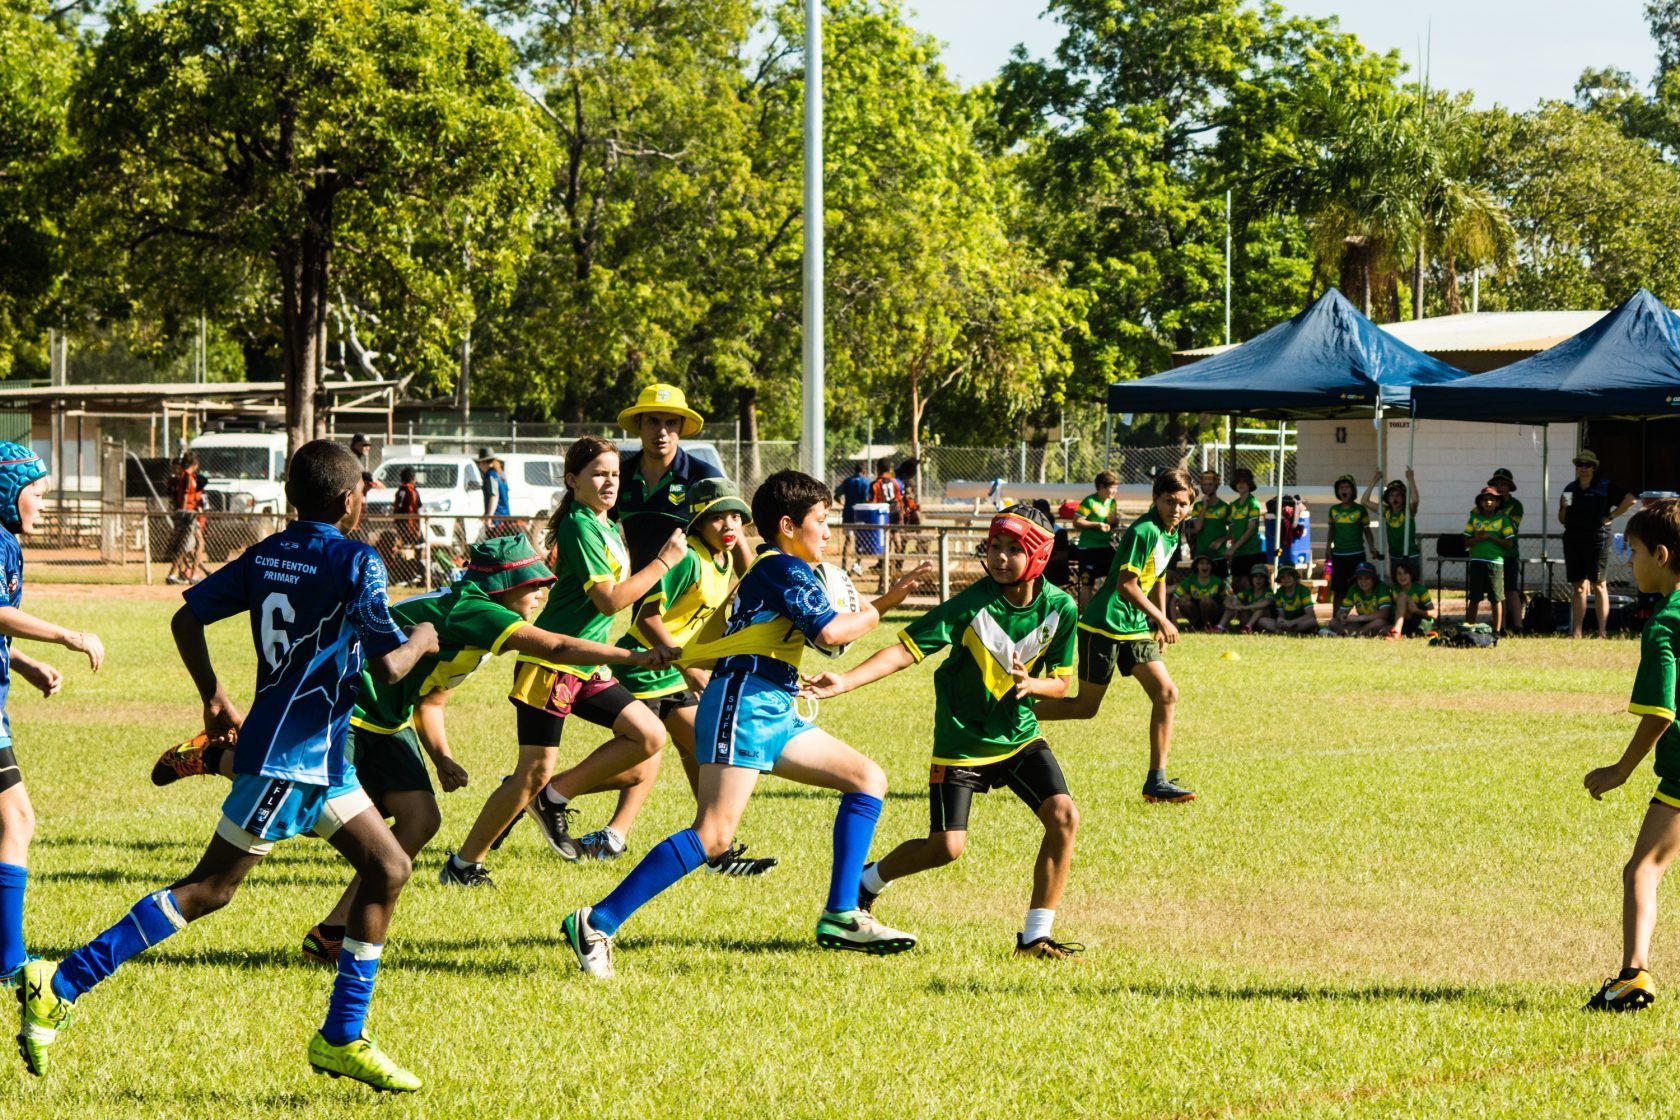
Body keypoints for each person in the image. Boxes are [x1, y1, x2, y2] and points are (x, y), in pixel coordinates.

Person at [18, 440, 440, 1089]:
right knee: (209, 889)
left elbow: (188, 617)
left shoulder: (266, 553)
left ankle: (342, 1036)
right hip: (288, 760)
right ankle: (63, 981)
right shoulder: (359, 561)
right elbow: (389, 664)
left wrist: (212, 693)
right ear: (351, 500)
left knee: (388, 865)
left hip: (321, 756)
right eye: (363, 494)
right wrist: (424, 638)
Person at [147, 535, 670, 963]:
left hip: (388, 724)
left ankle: (332, 932)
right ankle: (213, 756)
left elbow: (432, 699)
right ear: (505, 587)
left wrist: (440, 756)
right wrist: (631, 656)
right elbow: (555, 646)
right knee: (296, 805)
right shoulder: (479, 612)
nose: (540, 595)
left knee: (420, 821)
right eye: (534, 585)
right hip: (347, 714)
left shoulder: (475, 626)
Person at [559, 470, 928, 978]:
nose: (827, 532)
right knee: (713, 835)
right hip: (744, 702)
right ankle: (597, 921)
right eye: (821, 522)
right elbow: (832, 633)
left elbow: (830, 631)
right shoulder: (781, 569)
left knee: (867, 778)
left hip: (771, 703)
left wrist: (880, 604)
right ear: (787, 525)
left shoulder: (784, 569)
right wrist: (876, 611)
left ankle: (842, 914)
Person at [800, 505, 1083, 959]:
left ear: (1040, 556)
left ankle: (1035, 937)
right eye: (994, 547)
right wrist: (846, 680)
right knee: (946, 848)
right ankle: (866, 882)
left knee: (1064, 817)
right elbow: (903, 651)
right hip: (961, 744)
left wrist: (1034, 685)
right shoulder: (972, 604)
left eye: (1014, 549)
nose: (1000, 558)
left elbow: (1063, 682)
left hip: (1019, 737)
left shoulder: (1061, 609)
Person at [438, 437, 684, 888]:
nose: (609, 481)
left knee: (648, 737)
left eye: (614, 473)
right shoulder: (577, 525)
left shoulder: (608, 525)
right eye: (598, 473)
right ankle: (462, 866)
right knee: (531, 774)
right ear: (573, 481)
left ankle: (552, 797)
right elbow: (608, 601)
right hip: (551, 663)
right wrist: (663, 563)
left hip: (587, 665)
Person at [524, 478, 778, 875]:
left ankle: (707, 846)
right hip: (646, 669)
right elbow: (646, 615)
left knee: (697, 751)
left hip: (672, 673)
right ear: (697, 522)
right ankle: (547, 794)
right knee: (651, 759)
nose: (728, 526)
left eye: (735, 517)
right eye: (717, 518)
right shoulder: (690, 559)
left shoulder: (722, 559)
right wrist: (684, 663)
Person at [0, 445, 105, 1003]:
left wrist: (23, 662)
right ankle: (12, 963)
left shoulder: (8, 543)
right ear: (9, 492)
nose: (43, 502)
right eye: (36, 491)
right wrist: (66, 635)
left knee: (14, 820)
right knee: (17, 819)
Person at [1035, 468, 1198, 804]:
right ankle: (1012, 712)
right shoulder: (1144, 530)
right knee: (1085, 707)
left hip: (1135, 626)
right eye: (1169, 501)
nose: (1176, 509)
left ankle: (1157, 781)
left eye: (1183, 504)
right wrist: (1162, 619)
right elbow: (1126, 585)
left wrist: (1158, 619)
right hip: (1105, 624)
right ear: (1156, 499)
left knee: (1167, 693)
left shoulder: (1172, 532)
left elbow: (1160, 577)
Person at [1583, 499, 1680, 1011]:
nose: (1627, 560)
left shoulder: (1664, 624)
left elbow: (1660, 713)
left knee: (1642, 869)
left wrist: (1621, 770)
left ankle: (1633, 977)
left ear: (1661, 555)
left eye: (1633, 549)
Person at [613, 383, 750, 573]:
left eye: (671, 423)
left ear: (681, 426)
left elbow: (738, 543)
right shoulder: (619, 476)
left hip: (693, 599)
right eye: (653, 421)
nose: (662, 431)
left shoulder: (705, 477)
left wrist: (755, 596)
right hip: (641, 598)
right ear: (638, 423)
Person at [1562, 450, 1636, 640]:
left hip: (1598, 539)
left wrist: (1611, 517)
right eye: (1580, 465)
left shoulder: (1605, 487)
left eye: (1587, 465)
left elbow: (1630, 500)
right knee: (1578, 586)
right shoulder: (1570, 488)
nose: (1583, 468)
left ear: (1594, 467)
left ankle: (1602, 633)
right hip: (1573, 539)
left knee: (1598, 584)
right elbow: (1563, 518)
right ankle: (1576, 632)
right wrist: (1563, 508)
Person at [1464, 486, 1516, 633]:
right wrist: (1477, 538)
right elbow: (1466, 542)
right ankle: (1468, 630)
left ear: (1497, 503)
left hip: (1495, 563)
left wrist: (1491, 538)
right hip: (1477, 562)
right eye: (1485, 499)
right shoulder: (1474, 519)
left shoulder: (1503, 520)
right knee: (1474, 598)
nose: (1488, 502)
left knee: (1496, 598)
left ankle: (1497, 631)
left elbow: (1509, 543)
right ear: (1480, 502)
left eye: (1492, 499)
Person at [1072, 471, 1121, 609]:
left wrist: (1115, 521)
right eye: (1112, 487)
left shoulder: (1112, 503)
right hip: (1089, 548)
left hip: (1106, 546)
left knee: (1115, 580)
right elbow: (1076, 522)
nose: (1115, 491)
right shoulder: (1090, 501)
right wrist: (1097, 525)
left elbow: (1113, 524)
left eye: (1116, 487)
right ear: (1101, 487)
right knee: (1087, 583)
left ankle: (1107, 612)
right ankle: (1086, 617)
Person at [1326, 475, 1374, 609]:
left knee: (1359, 588)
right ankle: (1336, 620)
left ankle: (1364, 616)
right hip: (1339, 555)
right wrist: (1328, 547)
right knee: (1339, 589)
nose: (1344, 490)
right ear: (1337, 491)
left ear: (1353, 490)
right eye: (1341, 487)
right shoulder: (1334, 510)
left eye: (1347, 487)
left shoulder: (1360, 510)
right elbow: (1331, 530)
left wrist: (1372, 547)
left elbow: (1367, 531)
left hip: (1357, 554)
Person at [1365, 469, 1421, 579]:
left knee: (1411, 587)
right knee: (1396, 588)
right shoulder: (1386, 511)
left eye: (1398, 495)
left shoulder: (1407, 511)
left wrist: (1411, 479)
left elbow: (1415, 501)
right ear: (1387, 498)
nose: (1395, 498)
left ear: (1404, 497)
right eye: (1391, 495)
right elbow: (1364, 501)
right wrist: (1374, 480)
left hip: (1410, 555)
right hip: (1394, 556)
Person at [1488, 468, 1524, 632]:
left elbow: (1512, 527)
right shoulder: (1488, 502)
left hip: (1509, 553)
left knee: (1511, 589)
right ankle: (1499, 626)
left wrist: (1497, 519)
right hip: (1492, 553)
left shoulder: (1516, 505)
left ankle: (1518, 625)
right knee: (1497, 591)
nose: (1500, 487)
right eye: (1497, 484)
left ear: (1510, 487)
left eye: (1504, 484)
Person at [166, 452, 207, 586]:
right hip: (188, 514)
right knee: (196, 544)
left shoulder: (183, 477)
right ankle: (193, 574)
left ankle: (174, 573)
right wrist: (184, 513)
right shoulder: (187, 477)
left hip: (188, 513)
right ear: (194, 464)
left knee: (186, 545)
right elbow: (184, 497)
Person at [1224, 469, 1265, 595]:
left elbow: (1251, 529)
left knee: (1248, 586)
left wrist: (1233, 548)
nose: (1241, 485)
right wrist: (1224, 543)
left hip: (1251, 551)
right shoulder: (1233, 505)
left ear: (1250, 484)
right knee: (1236, 585)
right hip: (1237, 552)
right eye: (1238, 482)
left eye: (1244, 482)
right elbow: (1232, 532)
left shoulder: (1253, 503)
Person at [1327, 561, 1392, 637]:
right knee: (1333, 622)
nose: (1363, 582)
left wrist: (1358, 618)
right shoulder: (1354, 589)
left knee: (1379, 623)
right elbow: (1341, 611)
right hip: (1361, 623)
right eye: (1360, 578)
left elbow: (1384, 614)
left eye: (1367, 578)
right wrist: (1342, 616)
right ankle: (1352, 634)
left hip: (1378, 622)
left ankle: (1350, 634)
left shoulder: (1381, 588)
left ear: (1373, 579)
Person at [1185, 469, 1229, 579]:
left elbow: (1233, 532)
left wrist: (1220, 540)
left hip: (1218, 555)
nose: (1207, 487)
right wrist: (1204, 507)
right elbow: (1198, 527)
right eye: (1204, 485)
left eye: (1210, 484)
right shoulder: (1198, 506)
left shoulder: (1225, 507)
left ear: (1216, 486)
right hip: (1201, 555)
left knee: (1219, 589)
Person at [1257, 565, 1317, 634]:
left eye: (1289, 576)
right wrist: (1280, 620)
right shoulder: (1279, 592)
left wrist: (1292, 622)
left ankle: (1284, 632)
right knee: (1262, 621)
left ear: (1295, 578)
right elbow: (1281, 614)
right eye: (1282, 577)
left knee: (1312, 621)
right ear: (1280, 580)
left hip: (1300, 622)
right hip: (1287, 623)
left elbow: (1310, 614)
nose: (1286, 579)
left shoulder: (1303, 590)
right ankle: (1289, 632)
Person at [835, 462, 873, 571]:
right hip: (861, 514)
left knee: (848, 540)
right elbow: (867, 499)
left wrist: (843, 504)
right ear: (864, 472)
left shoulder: (847, 481)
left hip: (848, 513)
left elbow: (836, 495)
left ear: (854, 471)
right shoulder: (866, 482)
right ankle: (857, 565)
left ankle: (843, 567)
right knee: (860, 540)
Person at [1175, 554, 1227, 632]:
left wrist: (1223, 623)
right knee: (1183, 601)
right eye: (1202, 563)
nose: (1204, 566)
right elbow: (1174, 599)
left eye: (1208, 564)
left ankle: (1208, 625)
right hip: (1196, 611)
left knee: (1205, 599)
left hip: (1214, 613)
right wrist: (1174, 622)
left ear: (1211, 567)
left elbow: (1224, 602)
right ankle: (1195, 625)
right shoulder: (1190, 579)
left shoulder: (1218, 582)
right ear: (1197, 566)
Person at [390, 466, 423, 584]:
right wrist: (418, 527)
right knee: (416, 548)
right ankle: (413, 573)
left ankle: (407, 573)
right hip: (411, 525)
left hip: (401, 525)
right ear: (412, 478)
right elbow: (418, 510)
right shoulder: (412, 491)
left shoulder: (399, 491)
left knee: (406, 549)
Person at [1219, 563, 1273, 633]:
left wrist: (1246, 607)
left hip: (1262, 622)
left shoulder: (1268, 591)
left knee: (1261, 607)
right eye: (1255, 577)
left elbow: (1266, 602)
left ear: (1265, 579)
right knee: (1235, 601)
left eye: (1261, 577)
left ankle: (1248, 627)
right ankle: (1220, 627)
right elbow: (1230, 598)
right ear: (1251, 579)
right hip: (1249, 619)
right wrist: (1232, 607)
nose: (1258, 580)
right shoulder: (1249, 591)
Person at [1390, 560, 1437, 638]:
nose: (1402, 576)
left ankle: (1396, 633)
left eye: (1406, 573)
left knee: (1402, 595)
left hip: (1421, 622)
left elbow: (1434, 614)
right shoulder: (1393, 589)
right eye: (1399, 573)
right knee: (1382, 629)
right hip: (1405, 622)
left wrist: (1416, 610)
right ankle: (1397, 632)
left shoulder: (1420, 589)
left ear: (1411, 575)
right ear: (1395, 576)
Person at [476, 449, 511, 529]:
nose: (480, 466)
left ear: (483, 462)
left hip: (497, 519)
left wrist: (489, 517)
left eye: (480, 463)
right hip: (505, 516)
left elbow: (494, 496)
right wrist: (486, 513)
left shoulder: (490, 475)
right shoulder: (500, 473)